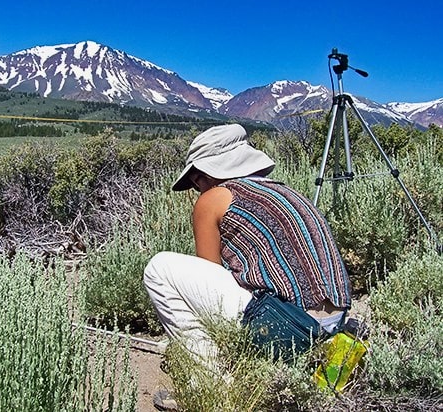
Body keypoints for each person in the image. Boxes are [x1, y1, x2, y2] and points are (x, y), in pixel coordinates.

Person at [143, 123, 351, 368]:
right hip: (334, 329)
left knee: (159, 268)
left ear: (207, 174)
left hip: (288, 329)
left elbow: (209, 275)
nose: (197, 188)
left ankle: (209, 384)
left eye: (195, 180)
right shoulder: (283, 191)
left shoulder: (213, 198)